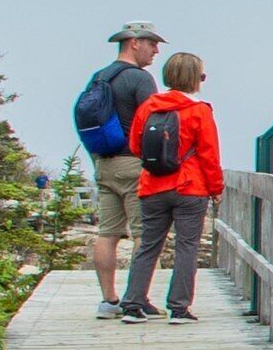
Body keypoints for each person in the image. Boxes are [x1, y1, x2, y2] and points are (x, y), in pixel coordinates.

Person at [119, 52, 225, 322]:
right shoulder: (200, 111)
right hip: (190, 187)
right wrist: (216, 188)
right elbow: (209, 155)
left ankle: (133, 303)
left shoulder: (148, 107)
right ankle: (179, 307)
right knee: (186, 247)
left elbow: (134, 146)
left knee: (148, 245)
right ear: (196, 79)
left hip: (152, 186)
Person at [77, 24, 164, 317]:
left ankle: (108, 300)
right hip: (133, 164)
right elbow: (155, 125)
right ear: (134, 42)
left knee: (108, 233)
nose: (156, 50)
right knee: (145, 233)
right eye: (152, 43)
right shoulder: (140, 79)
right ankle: (137, 298)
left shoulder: (99, 77)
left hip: (104, 163)